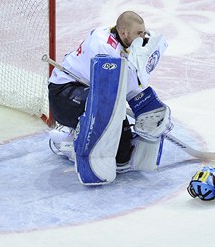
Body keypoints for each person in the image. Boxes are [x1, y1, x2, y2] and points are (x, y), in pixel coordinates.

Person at [48, 11, 172, 185]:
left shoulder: (122, 37)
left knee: (122, 154)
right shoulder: (104, 48)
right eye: (139, 33)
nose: (143, 37)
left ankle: (74, 132)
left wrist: (153, 109)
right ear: (124, 33)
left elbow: (128, 87)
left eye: (143, 32)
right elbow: (125, 87)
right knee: (105, 109)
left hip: (89, 90)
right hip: (63, 95)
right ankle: (70, 142)